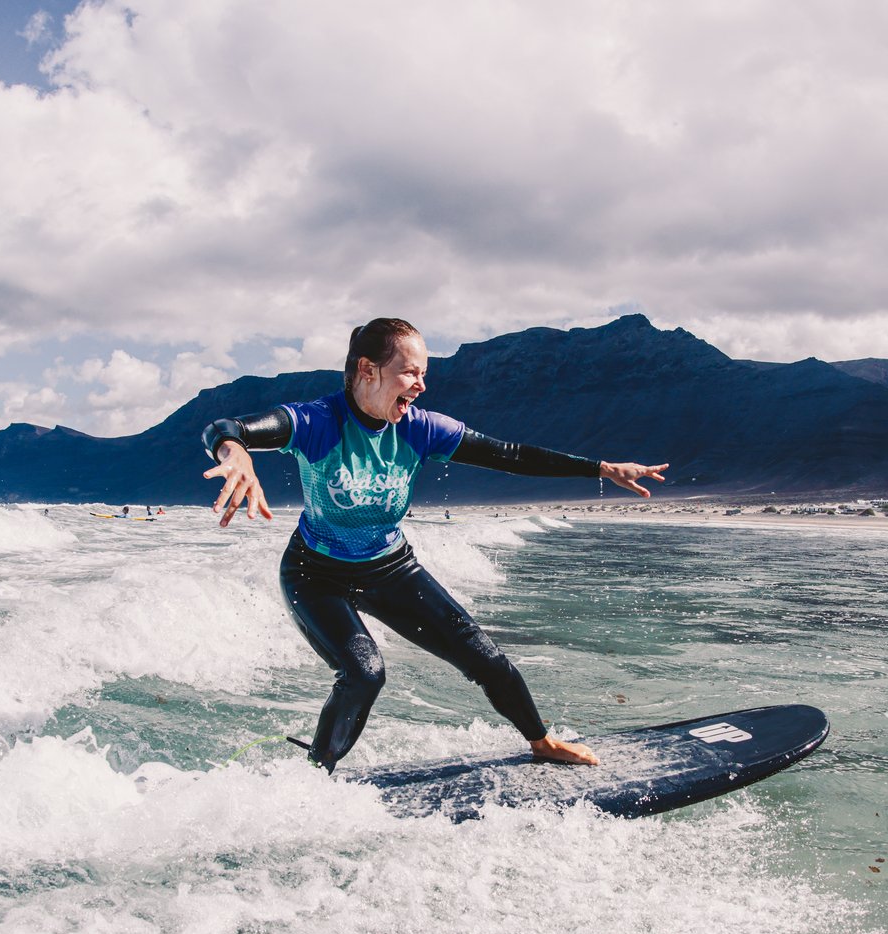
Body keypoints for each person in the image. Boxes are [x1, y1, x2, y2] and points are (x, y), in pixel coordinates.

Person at [202, 317, 667, 771]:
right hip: (315, 573)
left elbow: (510, 455)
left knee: (485, 657)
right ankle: (315, 776)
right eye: (410, 372)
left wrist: (601, 468)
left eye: (424, 374)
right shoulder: (319, 421)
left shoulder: (421, 428)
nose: (421, 386)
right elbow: (225, 428)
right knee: (364, 673)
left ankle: (542, 741)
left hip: (390, 567)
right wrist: (237, 451)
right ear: (368, 370)